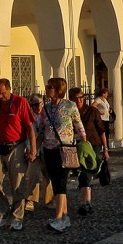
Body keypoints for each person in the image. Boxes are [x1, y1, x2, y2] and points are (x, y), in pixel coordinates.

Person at [0, 78, 36, 231]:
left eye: (3, 93)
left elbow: (29, 128)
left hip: (16, 146)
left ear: (9, 90)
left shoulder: (20, 102)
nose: (0, 96)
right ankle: (4, 210)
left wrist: (33, 150)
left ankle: (17, 217)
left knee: (17, 185)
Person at [35, 77, 85, 233]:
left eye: (50, 87)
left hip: (65, 149)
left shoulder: (70, 106)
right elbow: (41, 131)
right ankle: (64, 216)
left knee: (61, 182)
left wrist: (84, 145)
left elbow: (79, 127)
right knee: (56, 182)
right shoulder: (46, 108)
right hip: (48, 150)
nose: (47, 89)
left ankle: (59, 217)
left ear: (58, 89)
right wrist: (34, 149)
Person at [69, 87, 107, 216]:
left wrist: (105, 149)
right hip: (77, 146)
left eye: (81, 97)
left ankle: (84, 203)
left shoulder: (92, 111)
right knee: (82, 174)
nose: (79, 100)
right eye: (76, 98)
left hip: (93, 145)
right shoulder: (69, 112)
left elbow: (101, 130)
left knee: (87, 173)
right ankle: (87, 202)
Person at [24, 93, 53, 212]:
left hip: (46, 148)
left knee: (48, 175)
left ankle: (49, 199)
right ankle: (30, 200)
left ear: (43, 103)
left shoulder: (48, 115)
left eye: (39, 104)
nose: (37, 107)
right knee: (33, 174)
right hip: (33, 149)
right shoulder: (28, 116)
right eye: (34, 105)